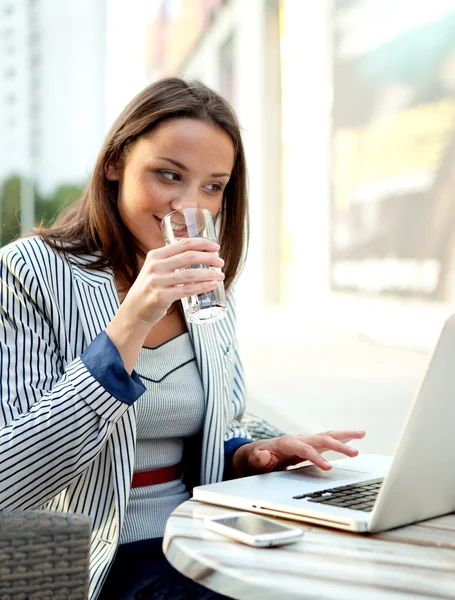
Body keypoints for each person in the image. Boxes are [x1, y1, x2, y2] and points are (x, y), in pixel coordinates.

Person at [0, 77, 365, 600]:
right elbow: (13, 475)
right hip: (86, 556)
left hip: (203, 534)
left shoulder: (207, 284)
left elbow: (225, 414)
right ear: (115, 163)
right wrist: (132, 321)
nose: (187, 205)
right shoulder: (29, 272)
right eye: (168, 175)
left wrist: (251, 451)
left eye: (213, 186)